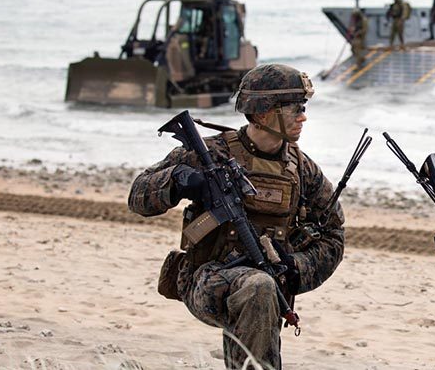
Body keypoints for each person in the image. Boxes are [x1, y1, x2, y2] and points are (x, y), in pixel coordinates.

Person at [128, 64, 345, 369]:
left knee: (260, 287)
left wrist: (296, 266)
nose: (303, 116)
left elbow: (334, 235)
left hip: (265, 289)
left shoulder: (302, 170)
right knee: (258, 287)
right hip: (205, 280)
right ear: (261, 113)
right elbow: (137, 197)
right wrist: (177, 180)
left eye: (304, 107)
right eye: (294, 107)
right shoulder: (210, 154)